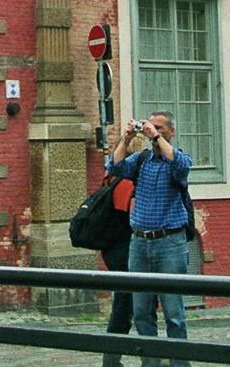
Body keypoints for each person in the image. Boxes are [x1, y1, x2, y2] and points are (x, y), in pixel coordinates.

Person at [107, 111, 192, 367]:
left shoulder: (177, 160)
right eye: (151, 126)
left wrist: (156, 139)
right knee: (142, 312)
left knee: (173, 313)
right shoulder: (142, 160)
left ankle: (179, 364)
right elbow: (115, 166)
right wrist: (126, 138)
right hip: (140, 243)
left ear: (171, 131)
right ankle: (150, 364)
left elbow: (180, 165)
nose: (153, 130)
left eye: (159, 127)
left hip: (170, 244)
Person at [98, 136, 138, 367]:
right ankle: (112, 359)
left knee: (125, 302)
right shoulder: (127, 183)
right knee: (126, 305)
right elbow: (131, 218)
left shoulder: (111, 178)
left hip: (112, 248)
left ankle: (112, 358)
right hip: (126, 249)